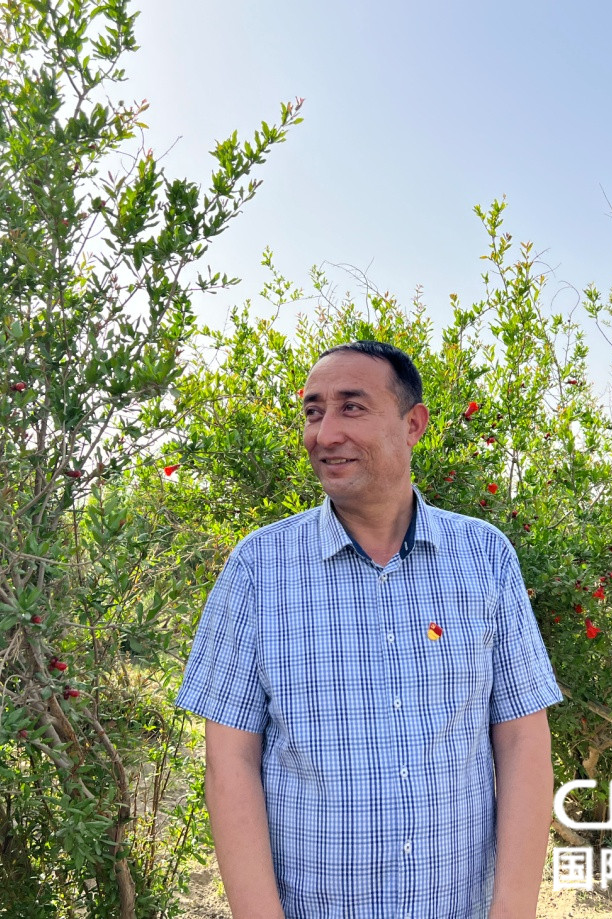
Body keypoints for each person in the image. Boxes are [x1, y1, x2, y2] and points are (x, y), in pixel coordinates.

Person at [176, 340, 562, 919]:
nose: (324, 433)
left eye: (351, 407)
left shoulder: (485, 557)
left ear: (413, 424)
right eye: (313, 412)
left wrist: (513, 910)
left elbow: (521, 739)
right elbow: (230, 758)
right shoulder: (259, 568)